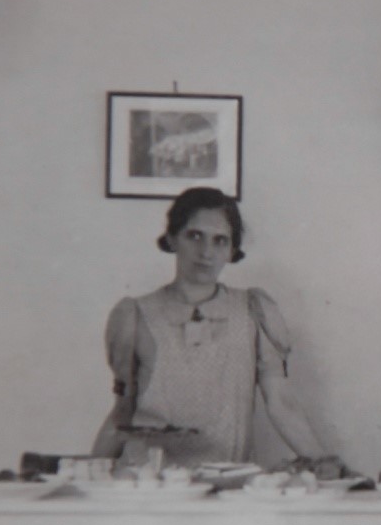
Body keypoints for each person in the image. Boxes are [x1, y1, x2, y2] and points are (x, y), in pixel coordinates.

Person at [92, 186, 339, 472]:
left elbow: (281, 402)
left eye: (220, 241)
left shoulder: (254, 311)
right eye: (195, 236)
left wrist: (323, 462)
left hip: (228, 481)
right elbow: (123, 411)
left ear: (232, 251)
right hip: (148, 482)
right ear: (172, 238)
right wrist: (89, 473)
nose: (206, 252)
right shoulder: (134, 315)